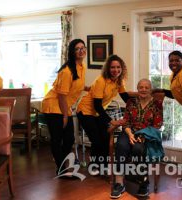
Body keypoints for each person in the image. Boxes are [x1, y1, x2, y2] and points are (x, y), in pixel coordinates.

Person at [77, 54, 130, 175]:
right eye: (112, 67)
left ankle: (104, 165)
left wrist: (138, 103)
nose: (115, 70)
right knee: (96, 139)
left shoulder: (119, 81)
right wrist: (112, 121)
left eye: (118, 67)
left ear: (122, 69)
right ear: (107, 68)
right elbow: (97, 105)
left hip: (98, 112)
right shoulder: (101, 80)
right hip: (85, 111)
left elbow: (125, 97)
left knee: (105, 137)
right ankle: (95, 166)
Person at [110, 79, 163, 199]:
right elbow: (126, 121)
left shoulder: (157, 104)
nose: (143, 90)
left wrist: (143, 136)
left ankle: (143, 182)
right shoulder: (131, 101)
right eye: (141, 87)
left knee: (138, 149)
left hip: (146, 134)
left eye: (146, 87)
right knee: (121, 145)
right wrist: (130, 134)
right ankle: (119, 183)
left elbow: (157, 125)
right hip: (129, 131)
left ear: (151, 90)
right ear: (137, 89)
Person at [41, 39, 87, 176]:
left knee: (69, 139)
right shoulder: (67, 71)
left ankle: (59, 159)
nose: (81, 50)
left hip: (63, 105)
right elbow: (61, 95)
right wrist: (66, 115)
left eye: (83, 48)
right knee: (57, 138)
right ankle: (61, 168)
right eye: (77, 49)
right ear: (72, 52)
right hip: (53, 105)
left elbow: (75, 85)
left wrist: (87, 88)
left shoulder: (81, 66)